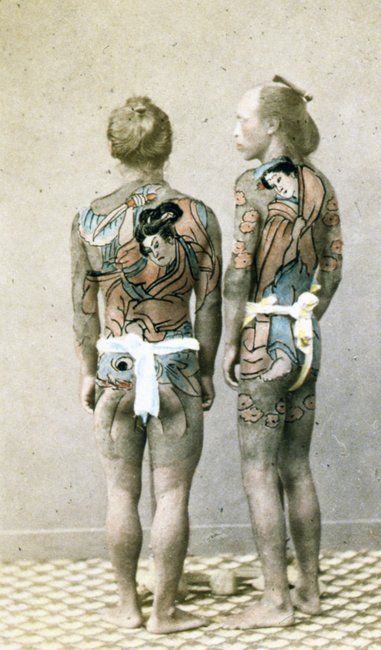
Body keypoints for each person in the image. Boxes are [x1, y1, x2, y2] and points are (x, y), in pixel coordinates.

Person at [71, 95, 222, 634]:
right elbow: (209, 304)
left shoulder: (89, 219)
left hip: (116, 368)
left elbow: (83, 306)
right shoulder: (198, 215)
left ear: (113, 147)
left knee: (121, 493)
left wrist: (86, 369)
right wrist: (206, 371)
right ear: (167, 146)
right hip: (174, 367)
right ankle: (165, 612)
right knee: (172, 495)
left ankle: (127, 607)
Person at [223, 76, 343, 629]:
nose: (236, 130)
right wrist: (305, 318)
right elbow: (332, 268)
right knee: (297, 466)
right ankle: (309, 590)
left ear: (271, 124)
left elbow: (239, 271)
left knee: (258, 470)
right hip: (304, 339)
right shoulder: (321, 183)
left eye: (243, 119)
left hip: (261, 340)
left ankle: (275, 601)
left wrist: (231, 340)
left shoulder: (252, 184)